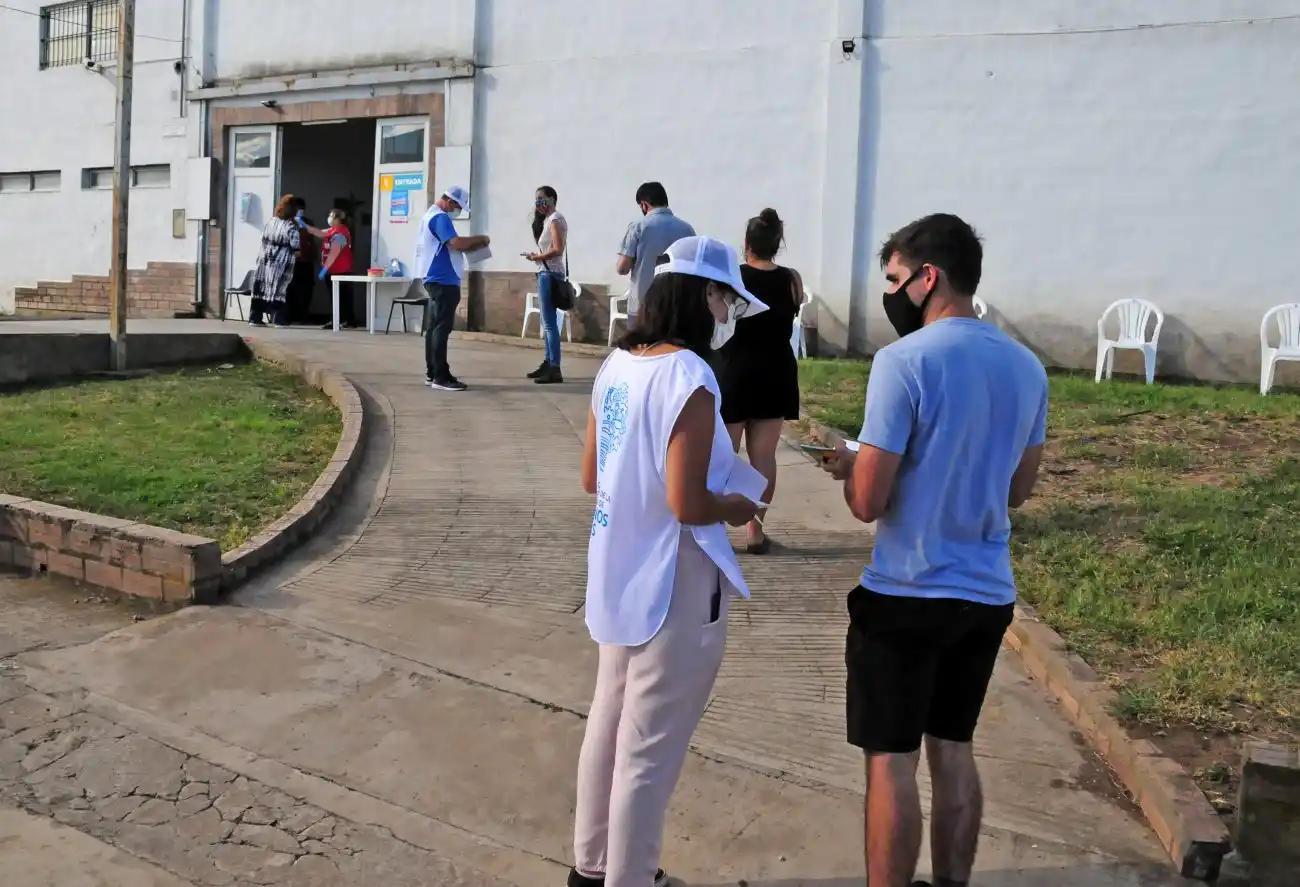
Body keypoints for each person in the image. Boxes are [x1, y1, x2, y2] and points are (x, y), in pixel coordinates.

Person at [820, 214, 1048, 887]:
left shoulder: (903, 362)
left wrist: (851, 468)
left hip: (906, 591)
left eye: (894, 279)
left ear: (928, 277)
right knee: (953, 747)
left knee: (891, 760)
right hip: (984, 593)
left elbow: (868, 501)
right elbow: (1019, 488)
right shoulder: (1027, 366)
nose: (890, 295)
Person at [573, 235, 767, 887]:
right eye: (723, 298)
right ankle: (629, 878)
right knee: (649, 750)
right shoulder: (690, 376)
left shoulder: (617, 365)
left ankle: (592, 864)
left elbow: (590, 473)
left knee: (609, 717)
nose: (725, 313)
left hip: (616, 570)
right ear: (702, 294)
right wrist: (738, 506)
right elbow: (687, 502)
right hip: (673, 581)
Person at [712, 208, 804, 554]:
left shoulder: (732, 277)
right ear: (777, 243)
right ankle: (755, 531)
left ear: (747, 243)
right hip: (776, 370)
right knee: (763, 456)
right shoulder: (792, 279)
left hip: (736, 369)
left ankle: (714, 526)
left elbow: (719, 318)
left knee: (724, 454)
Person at [412, 185, 489, 392]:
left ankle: (433, 372)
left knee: (434, 327)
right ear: (450, 201)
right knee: (441, 328)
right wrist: (480, 240)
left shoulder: (429, 215)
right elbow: (455, 243)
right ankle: (440, 376)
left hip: (434, 278)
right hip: (443, 280)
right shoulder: (440, 218)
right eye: (459, 207)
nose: (459, 211)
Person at [615, 182, 694, 319]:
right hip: (676, 306)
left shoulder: (638, 226)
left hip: (643, 305)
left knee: (640, 341)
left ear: (644, 205)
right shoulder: (687, 229)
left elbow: (622, 267)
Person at [524, 185, 569, 384]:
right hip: (548, 273)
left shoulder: (555, 219)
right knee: (548, 323)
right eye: (536, 200)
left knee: (550, 324)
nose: (539, 203)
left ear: (552, 199)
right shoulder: (548, 220)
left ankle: (554, 367)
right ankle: (548, 362)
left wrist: (537, 256)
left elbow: (558, 249)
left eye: (542, 199)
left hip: (549, 275)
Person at [248, 194, 302, 328]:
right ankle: (278, 319)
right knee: (279, 290)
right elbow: (296, 249)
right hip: (281, 263)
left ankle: (255, 318)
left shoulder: (271, 221)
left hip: (264, 259)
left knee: (260, 288)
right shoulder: (291, 226)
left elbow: (263, 238)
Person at [304, 209, 358, 329]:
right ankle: (346, 320)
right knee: (339, 297)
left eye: (331, 216)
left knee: (341, 297)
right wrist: (304, 225)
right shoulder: (333, 230)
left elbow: (334, 253)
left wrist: (324, 269)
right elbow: (319, 233)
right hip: (334, 271)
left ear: (338, 219)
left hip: (341, 271)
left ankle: (340, 320)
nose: (329, 218)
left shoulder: (340, 234)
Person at [285, 197, 316, 325]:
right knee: (291, 289)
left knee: (307, 289)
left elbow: (312, 241)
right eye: (298, 209)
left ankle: (303, 315)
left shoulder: (308, 222)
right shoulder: (287, 223)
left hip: (306, 261)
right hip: (292, 261)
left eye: (302, 209)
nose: (300, 211)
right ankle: (290, 315)